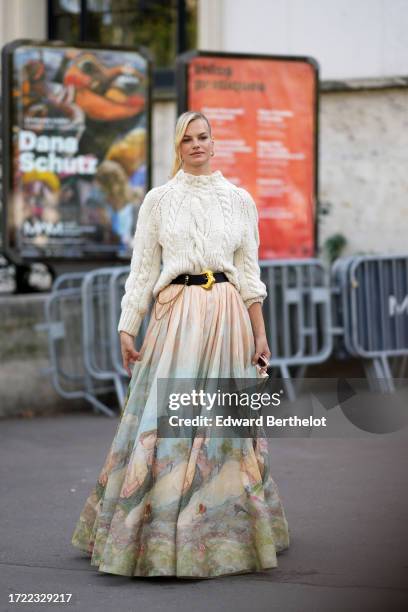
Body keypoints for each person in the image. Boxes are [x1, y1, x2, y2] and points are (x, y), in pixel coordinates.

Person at [71, 111, 290, 578]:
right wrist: (127, 327)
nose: (196, 144)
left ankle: (226, 529)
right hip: (176, 314)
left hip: (229, 315)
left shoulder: (239, 200)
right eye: (187, 139)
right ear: (178, 147)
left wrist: (261, 333)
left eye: (203, 136)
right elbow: (143, 270)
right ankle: (154, 531)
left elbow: (250, 275)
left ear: (214, 142)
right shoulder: (159, 200)